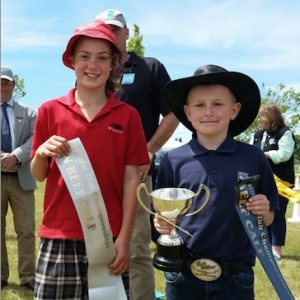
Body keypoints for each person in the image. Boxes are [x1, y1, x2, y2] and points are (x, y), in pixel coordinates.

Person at [30, 20, 149, 299]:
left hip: (109, 239)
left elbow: (132, 179)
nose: (92, 65)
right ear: (72, 61)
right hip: (59, 234)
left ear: (113, 65)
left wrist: (125, 239)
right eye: (84, 56)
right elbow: (38, 174)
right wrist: (43, 151)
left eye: (102, 58)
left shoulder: (128, 116)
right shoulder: (50, 110)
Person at [153, 64, 279, 300]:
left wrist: (264, 210)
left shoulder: (253, 158)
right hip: (183, 276)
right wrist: (161, 223)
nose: (208, 112)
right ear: (188, 112)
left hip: (235, 278)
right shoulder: (173, 160)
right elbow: (161, 218)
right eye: (200, 105)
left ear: (234, 109)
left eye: (218, 104)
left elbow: (269, 217)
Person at [95, 9, 179, 300]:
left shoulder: (151, 68)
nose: (112, 34)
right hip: (97, 174)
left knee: (138, 245)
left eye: (117, 29)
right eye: (105, 29)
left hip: (139, 173)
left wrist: (150, 148)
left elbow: (173, 113)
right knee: (97, 243)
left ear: (127, 33)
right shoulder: (97, 70)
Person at [1, 65, 37, 291]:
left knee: (26, 230)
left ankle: (28, 276)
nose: (3, 86)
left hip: (22, 178)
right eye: (0, 82)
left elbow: (36, 138)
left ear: (14, 86)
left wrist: (16, 156)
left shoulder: (30, 112)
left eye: (7, 82)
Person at [250, 103, 295, 260]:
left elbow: (284, 154)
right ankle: (264, 246)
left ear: (270, 117)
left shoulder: (285, 134)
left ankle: (276, 249)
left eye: (262, 116)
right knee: (260, 213)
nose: (259, 120)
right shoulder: (257, 134)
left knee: (277, 214)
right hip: (260, 180)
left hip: (281, 183)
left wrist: (264, 155)